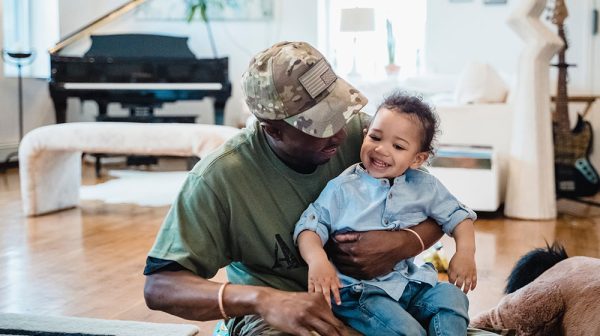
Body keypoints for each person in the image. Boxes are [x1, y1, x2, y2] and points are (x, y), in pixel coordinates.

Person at [142, 41, 446, 336]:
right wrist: (264, 300)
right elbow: (160, 286)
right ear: (272, 128)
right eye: (321, 125)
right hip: (280, 319)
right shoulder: (219, 179)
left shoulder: (369, 139)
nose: (340, 134)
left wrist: (404, 243)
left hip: (375, 298)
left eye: (340, 112)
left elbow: (442, 209)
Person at [293, 91, 477, 336]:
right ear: (365, 134)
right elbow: (309, 228)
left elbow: (459, 217)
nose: (381, 149)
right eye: (375, 137)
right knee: (409, 332)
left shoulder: (425, 186)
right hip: (359, 293)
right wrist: (318, 260)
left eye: (398, 146)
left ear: (418, 158)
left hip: (409, 283)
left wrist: (465, 253)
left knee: (452, 298)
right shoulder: (342, 188)